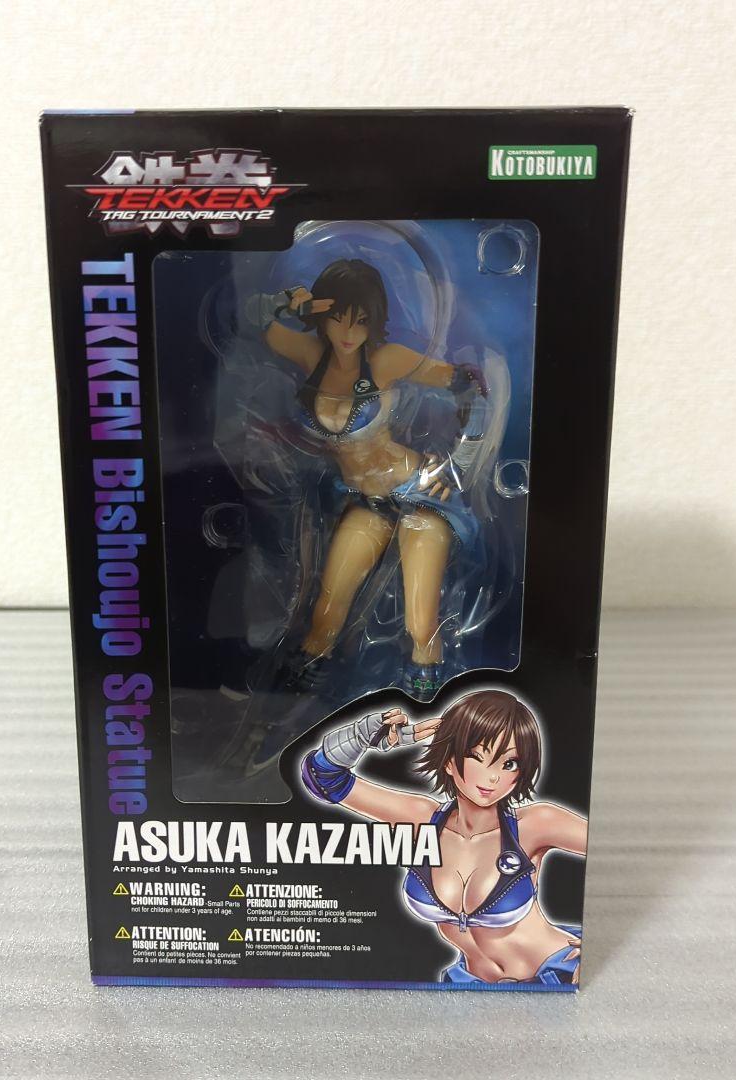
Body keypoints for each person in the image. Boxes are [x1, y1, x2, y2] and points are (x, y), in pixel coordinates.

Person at [248, 258, 490, 705]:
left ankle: (427, 700)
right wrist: (289, 303)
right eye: (339, 316)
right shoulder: (311, 354)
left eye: (360, 320)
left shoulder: (386, 360)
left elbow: (470, 388)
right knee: (326, 610)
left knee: (421, 623)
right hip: (365, 499)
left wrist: (459, 464)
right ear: (323, 313)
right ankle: (293, 702)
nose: (348, 331)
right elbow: (247, 317)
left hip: (419, 494)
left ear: (374, 321)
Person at [301, 688, 587, 986]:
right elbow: (324, 779)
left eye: (509, 764)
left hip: (554, 974)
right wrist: (363, 736)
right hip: (469, 984)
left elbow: (611, 852)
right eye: (477, 756)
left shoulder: (535, 824)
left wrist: (593, 943)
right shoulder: (422, 819)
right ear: (449, 760)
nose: (493, 777)